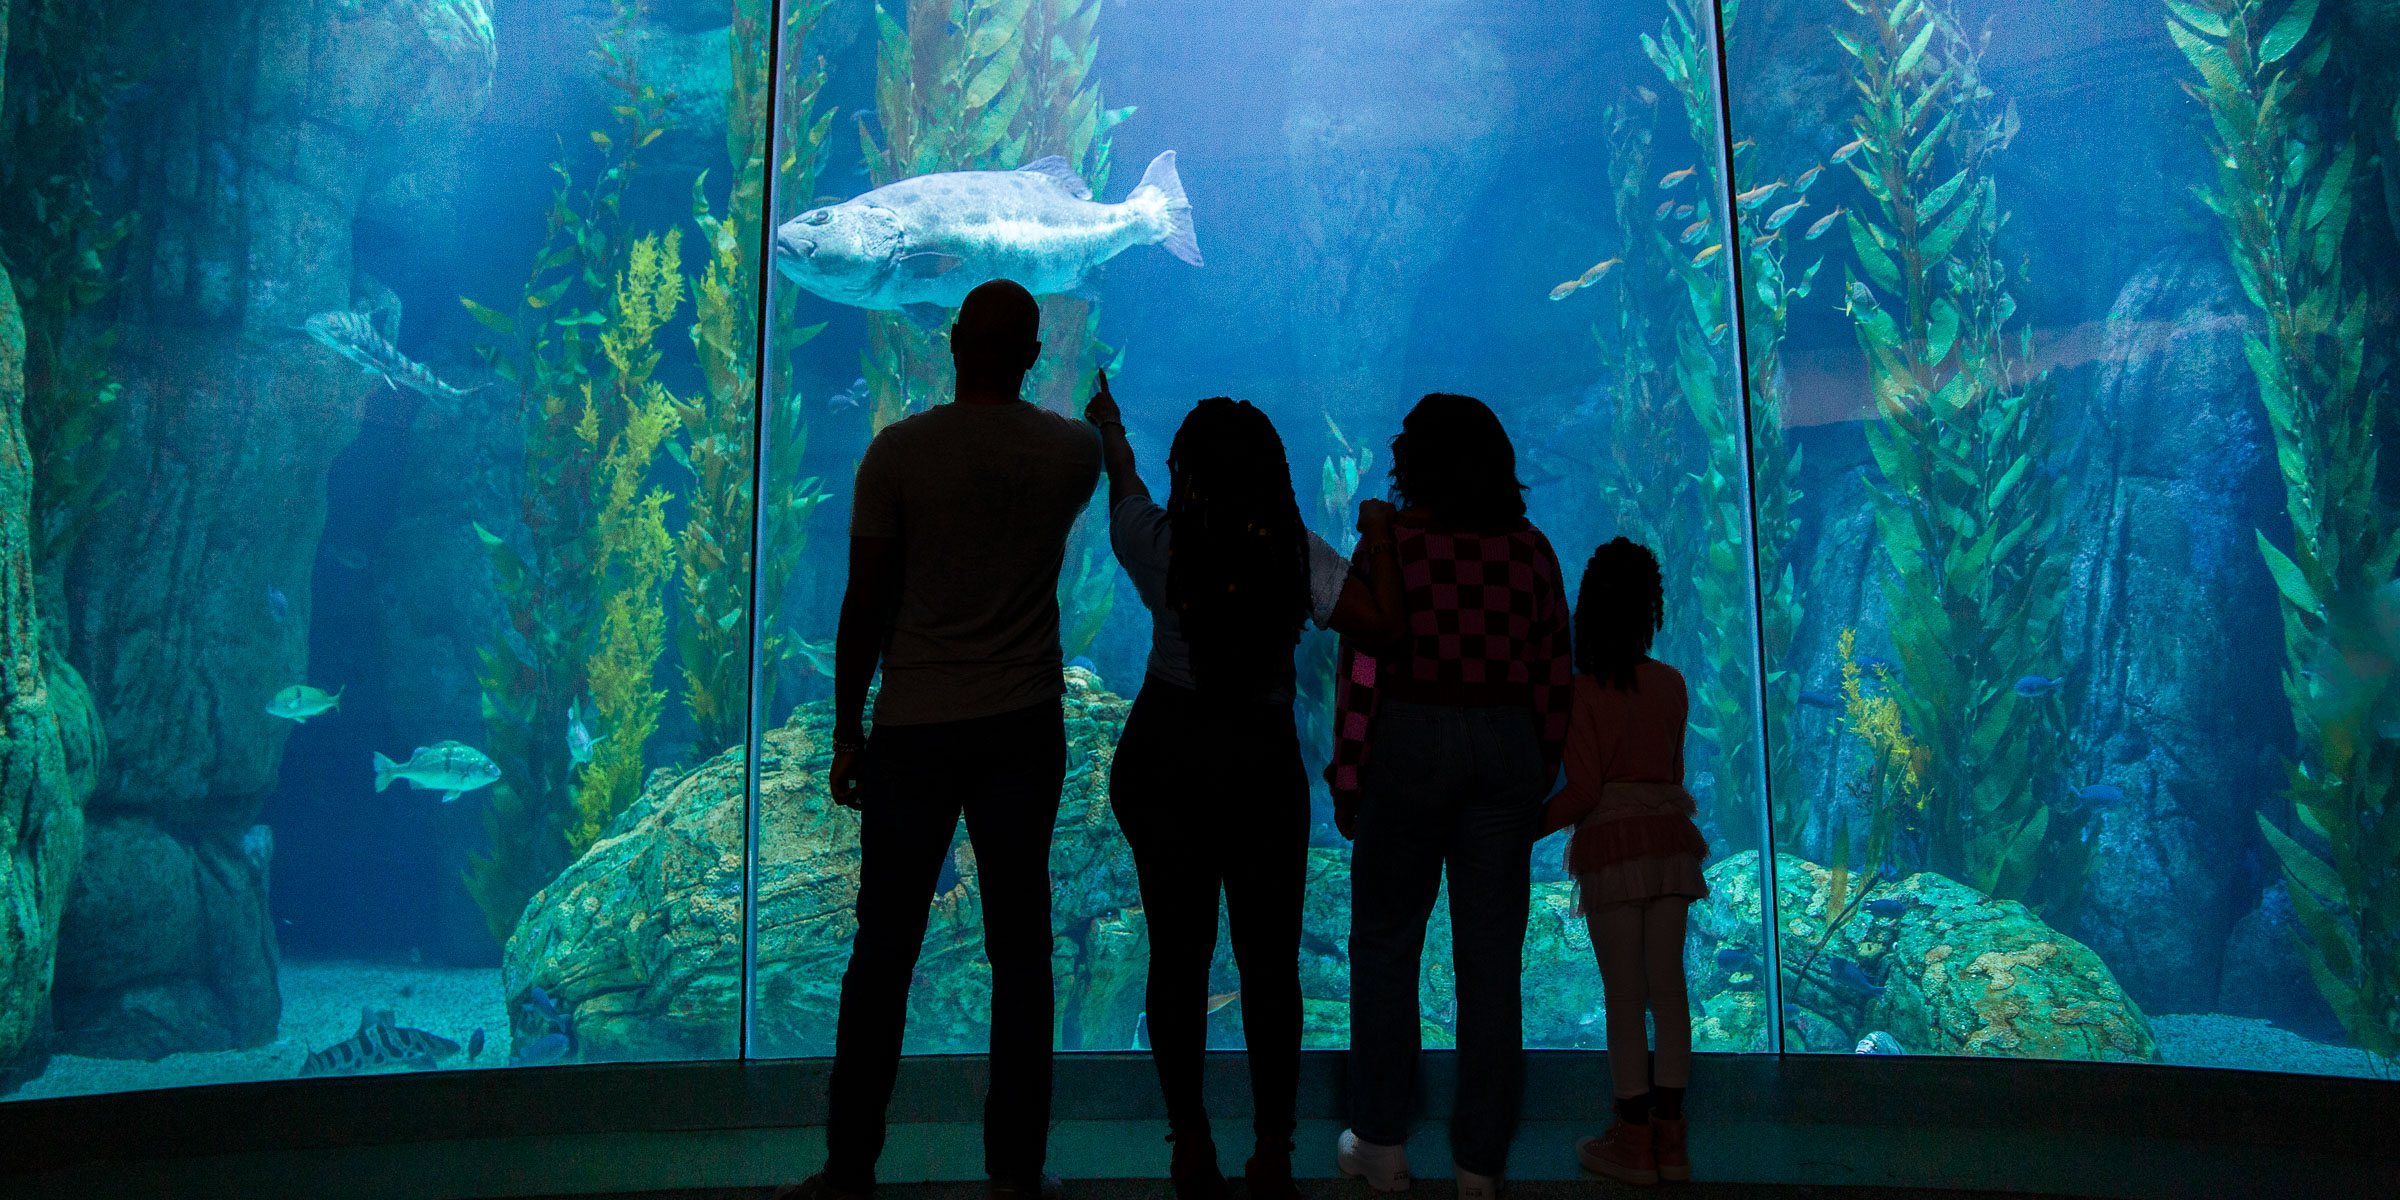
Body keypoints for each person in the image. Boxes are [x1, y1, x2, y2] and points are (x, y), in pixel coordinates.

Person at [799, 279, 1102, 1200]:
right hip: (1022, 727)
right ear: (1036, 353)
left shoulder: (897, 454)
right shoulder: (1073, 452)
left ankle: (849, 1169)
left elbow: (865, 606)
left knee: (882, 949)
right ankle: (1016, 1173)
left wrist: (847, 732)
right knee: (1022, 951)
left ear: (955, 340)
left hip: (915, 728)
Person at [1083, 378, 1360, 1200]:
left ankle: (1190, 1142)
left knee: (1178, 955)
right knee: (1271, 964)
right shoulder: (1297, 552)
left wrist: (1111, 429)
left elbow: (1124, 490)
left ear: (1188, 474)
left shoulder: (1162, 545)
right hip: (1262, 767)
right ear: (1274, 474)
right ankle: (1273, 1145)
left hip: (1168, 757)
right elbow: (1375, 616)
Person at [1327, 394, 1573, 1200]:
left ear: (1413, 466)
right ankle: (1479, 1164)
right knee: (1492, 962)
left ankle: (1380, 1142)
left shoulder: (1395, 547)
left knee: (1387, 947)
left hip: (1409, 742)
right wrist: (1539, 771)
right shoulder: (1531, 550)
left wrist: (1349, 773)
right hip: (1505, 749)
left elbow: (1363, 669)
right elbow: (1551, 671)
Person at [1542, 536, 1708, 1186]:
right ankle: (1673, 1141)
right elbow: (1674, 774)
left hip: (1611, 849)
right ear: (1650, 608)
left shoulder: (1580, 693)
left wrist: (1521, 827)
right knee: (1669, 994)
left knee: (1623, 998)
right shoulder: (1671, 685)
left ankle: (1632, 1141)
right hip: (1670, 847)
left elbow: (1582, 792)